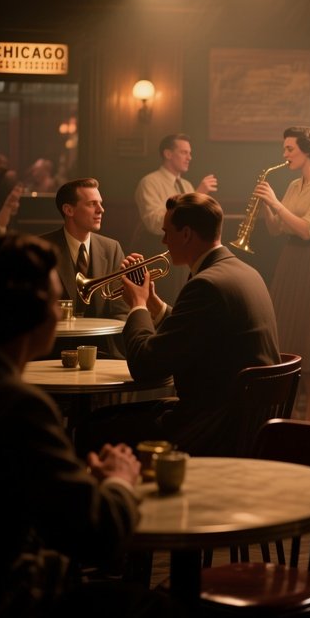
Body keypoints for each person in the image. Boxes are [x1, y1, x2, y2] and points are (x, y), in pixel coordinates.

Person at [0, 234, 191, 618]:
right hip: (2, 608)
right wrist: (118, 479)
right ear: (33, 313)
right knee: (165, 612)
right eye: (54, 300)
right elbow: (99, 536)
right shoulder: (19, 405)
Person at [75, 192, 280, 457]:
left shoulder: (206, 285)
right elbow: (192, 331)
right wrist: (152, 302)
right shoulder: (244, 272)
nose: (163, 241)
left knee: (93, 426)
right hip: (244, 417)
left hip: (213, 425)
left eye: (166, 232)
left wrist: (136, 304)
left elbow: (145, 366)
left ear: (185, 235)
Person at [254, 126, 310, 421]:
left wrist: (276, 204)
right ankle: (284, 414)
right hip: (290, 260)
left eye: (290, 149)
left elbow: (308, 229)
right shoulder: (294, 185)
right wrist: (267, 206)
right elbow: (276, 229)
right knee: (286, 339)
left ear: (306, 150)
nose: (285, 154)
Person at [41, 178, 129, 358]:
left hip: (103, 352)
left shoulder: (112, 248)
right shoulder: (42, 248)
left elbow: (120, 310)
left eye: (101, 203)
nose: (101, 210)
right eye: (92, 204)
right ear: (68, 210)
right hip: (53, 353)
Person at [133, 133, 218, 304]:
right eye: (184, 152)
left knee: (180, 302)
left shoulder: (186, 185)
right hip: (157, 252)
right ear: (168, 154)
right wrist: (198, 195)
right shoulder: (149, 182)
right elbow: (154, 223)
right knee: (160, 303)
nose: (189, 157)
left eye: (190, 153)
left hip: (184, 255)